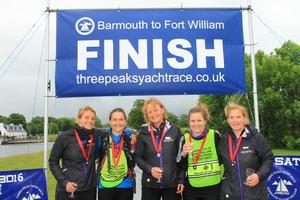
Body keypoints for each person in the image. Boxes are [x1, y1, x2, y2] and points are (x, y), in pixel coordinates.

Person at [218, 102, 273, 200]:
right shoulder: (224, 140)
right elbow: (215, 160)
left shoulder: (256, 137)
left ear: (244, 118)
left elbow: (268, 159)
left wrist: (258, 176)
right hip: (230, 194)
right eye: (231, 117)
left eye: (238, 117)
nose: (235, 120)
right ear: (228, 120)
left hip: (255, 194)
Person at [135, 97, 185, 200]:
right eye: (150, 112)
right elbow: (138, 157)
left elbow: (181, 156)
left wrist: (181, 180)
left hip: (172, 184)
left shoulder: (175, 130)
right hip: (150, 185)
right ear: (147, 116)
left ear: (162, 110)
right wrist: (150, 169)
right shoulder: (143, 133)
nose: (153, 114)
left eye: (156, 110)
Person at [49, 106, 99, 200]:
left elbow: (114, 131)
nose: (90, 120)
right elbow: (53, 162)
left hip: (89, 190)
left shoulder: (95, 135)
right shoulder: (64, 137)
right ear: (78, 119)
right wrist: (64, 182)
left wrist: (131, 136)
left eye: (93, 118)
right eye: (86, 117)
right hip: (69, 190)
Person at [181, 104, 221, 200]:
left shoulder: (215, 135)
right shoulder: (184, 138)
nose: (196, 124)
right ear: (189, 123)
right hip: (192, 188)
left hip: (213, 186)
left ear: (205, 121)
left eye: (199, 120)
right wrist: (183, 154)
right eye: (192, 121)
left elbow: (223, 158)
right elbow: (180, 165)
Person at [98, 108, 136, 200]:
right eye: (114, 119)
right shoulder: (102, 137)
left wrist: (133, 145)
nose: (118, 123)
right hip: (105, 184)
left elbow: (134, 160)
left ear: (125, 121)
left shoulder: (130, 137)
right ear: (110, 121)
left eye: (121, 119)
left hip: (125, 184)